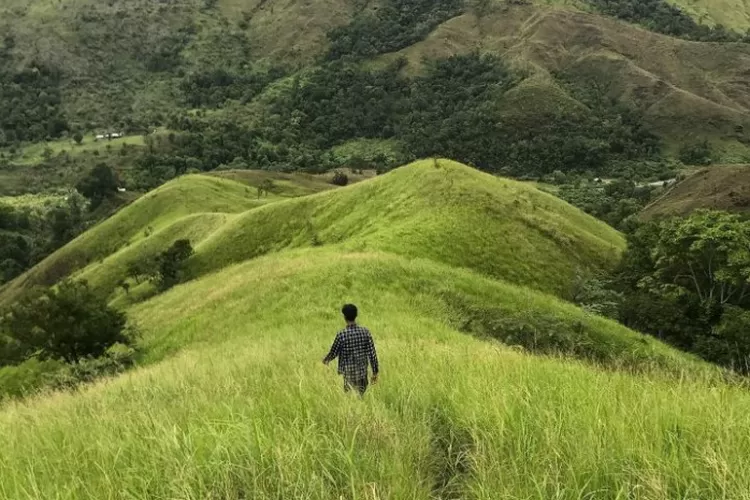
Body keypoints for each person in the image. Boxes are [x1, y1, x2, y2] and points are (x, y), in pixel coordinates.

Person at [323, 304, 379, 396]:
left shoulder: (342, 335)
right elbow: (372, 354)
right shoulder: (365, 332)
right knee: (361, 397)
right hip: (362, 373)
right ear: (356, 316)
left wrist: (325, 361)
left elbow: (333, 353)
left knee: (350, 398)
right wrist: (375, 372)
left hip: (348, 375)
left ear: (344, 317)